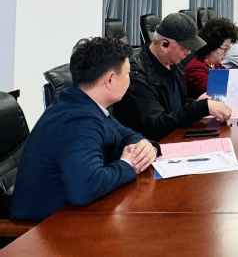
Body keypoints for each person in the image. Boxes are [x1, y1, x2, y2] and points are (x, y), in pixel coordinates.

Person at [11, 37, 159, 222]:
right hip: (47, 228)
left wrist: (144, 146)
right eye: (128, 73)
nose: (130, 79)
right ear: (110, 79)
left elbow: (124, 134)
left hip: (72, 215)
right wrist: (128, 164)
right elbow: (85, 188)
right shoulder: (78, 120)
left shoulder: (81, 101)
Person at [114, 12, 232, 141]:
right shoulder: (136, 76)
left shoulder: (172, 64)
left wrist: (197, 103)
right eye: (184, 47)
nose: (189, 52)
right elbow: (157, 126)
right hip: (151, 145)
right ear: (164, 44)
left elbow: (175, 107)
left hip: (174, 138)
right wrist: (199, 108)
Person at [184, 17, 238, 99]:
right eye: (225, 49)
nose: (226, 53)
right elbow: (214, 92)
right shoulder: (195, 68)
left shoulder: (214, 65)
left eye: (228, 49)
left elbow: (232, 79)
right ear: (212, 46)